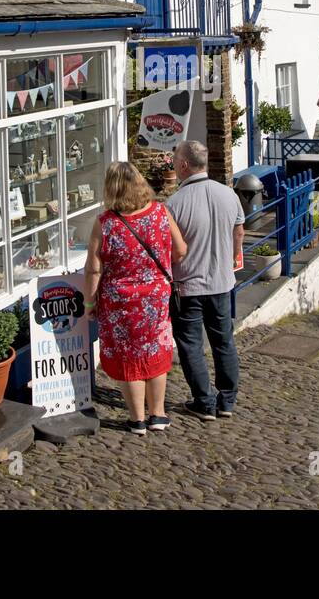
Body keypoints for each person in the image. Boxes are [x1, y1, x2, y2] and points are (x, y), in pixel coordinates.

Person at [85, 161, 187, 435]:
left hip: (120, 303)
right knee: (155, 351)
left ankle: (137, 419)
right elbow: (180, 250)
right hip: (154, 298)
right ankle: (158, 414)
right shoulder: (160, 213)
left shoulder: (105, 223)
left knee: (128, 357)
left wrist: (90, 303)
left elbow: (94, 268)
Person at [165, 140, 245, 421]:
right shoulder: (228, 195)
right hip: (221, 283)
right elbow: (239, 233)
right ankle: (228, 400)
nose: (173, 164)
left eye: (175, 160)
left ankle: (205, 401)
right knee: (223, 341)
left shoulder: (173, 204)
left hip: (187, 286)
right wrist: (231, 257)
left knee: (190, 345)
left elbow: (172, 250)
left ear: (185, 165)